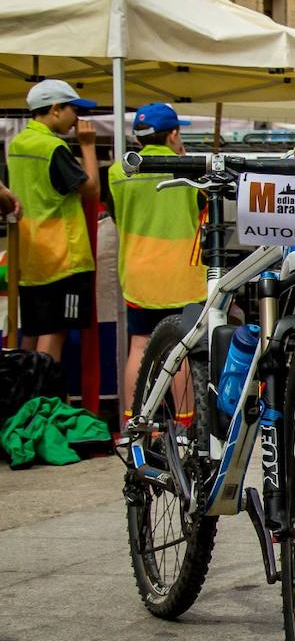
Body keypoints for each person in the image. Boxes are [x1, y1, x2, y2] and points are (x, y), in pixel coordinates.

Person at [107, 104, 208, 422]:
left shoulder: (116, 171)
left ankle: (132, 421)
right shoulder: (187, 169)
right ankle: (186, 423)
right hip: (181, 274)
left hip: (138, 273)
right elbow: (204, 207)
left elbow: (114, 213)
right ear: (174, 134)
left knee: (138, 346)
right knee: (180, 350)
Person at [7, 79, 99, 361]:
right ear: (56, 109)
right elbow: (92, 189)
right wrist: (88, 146)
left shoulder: (18, 144)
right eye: (74, 109)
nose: (78, 119)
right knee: (55, 333)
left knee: (33, 333)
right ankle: (44, 400)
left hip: (31, 257)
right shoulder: (52, 147)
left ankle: (23, 396)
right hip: (63, 260)